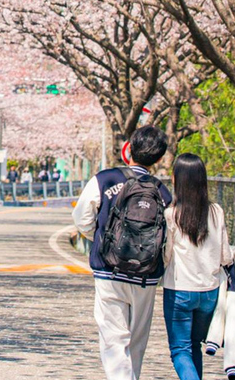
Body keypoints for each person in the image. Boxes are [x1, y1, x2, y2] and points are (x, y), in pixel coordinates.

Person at [72, 126, 172, 380]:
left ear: (129, 149)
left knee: (113, 338)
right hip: (146, 276)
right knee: (137, 341)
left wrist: (100, 240)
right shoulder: (162, 192)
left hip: (109, 270)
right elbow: (169, 237)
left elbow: (82, 218)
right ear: (159, 158)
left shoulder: (105, 179)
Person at [163, 153, 234, 380]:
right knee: (194, 346)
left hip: (180, 291)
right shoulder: (216, 212)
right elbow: (225, 255)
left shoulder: (171, 214)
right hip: (209, 293)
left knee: (180, 350)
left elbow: (165, 256)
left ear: (177, 179)